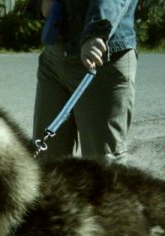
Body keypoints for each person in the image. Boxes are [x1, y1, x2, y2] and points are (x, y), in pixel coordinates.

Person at [33, 0, 138, 163]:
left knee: (101, 166)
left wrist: (96, 31)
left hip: (101, 58)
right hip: (54, 57)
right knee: (46, 163)